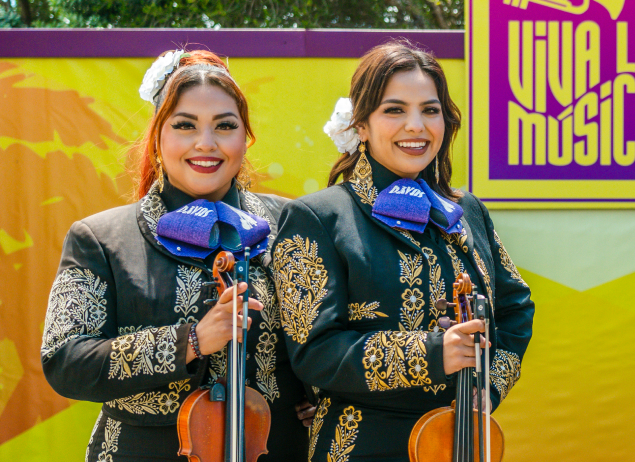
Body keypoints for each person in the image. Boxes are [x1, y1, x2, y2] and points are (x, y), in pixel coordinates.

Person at [40, 49, 313, 461]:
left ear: (246, 137)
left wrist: (322, 396)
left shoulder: (291, 223)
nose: (206, 143)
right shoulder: (100, 238)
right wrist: (192, 341)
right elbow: (66, 362)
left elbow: (324, 338)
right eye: (185, 125)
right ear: (157, 137)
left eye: (225, 126)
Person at [272, 41, 535, 462]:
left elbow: (515, 306)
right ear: (361, 125)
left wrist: (488, 385)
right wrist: (434, 352)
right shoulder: (317, 217)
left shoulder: (466, 209)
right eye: (394, 110)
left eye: (430, 110)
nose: (416, 126)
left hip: (460, 442)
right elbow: (314, 353)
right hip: (360, 444)